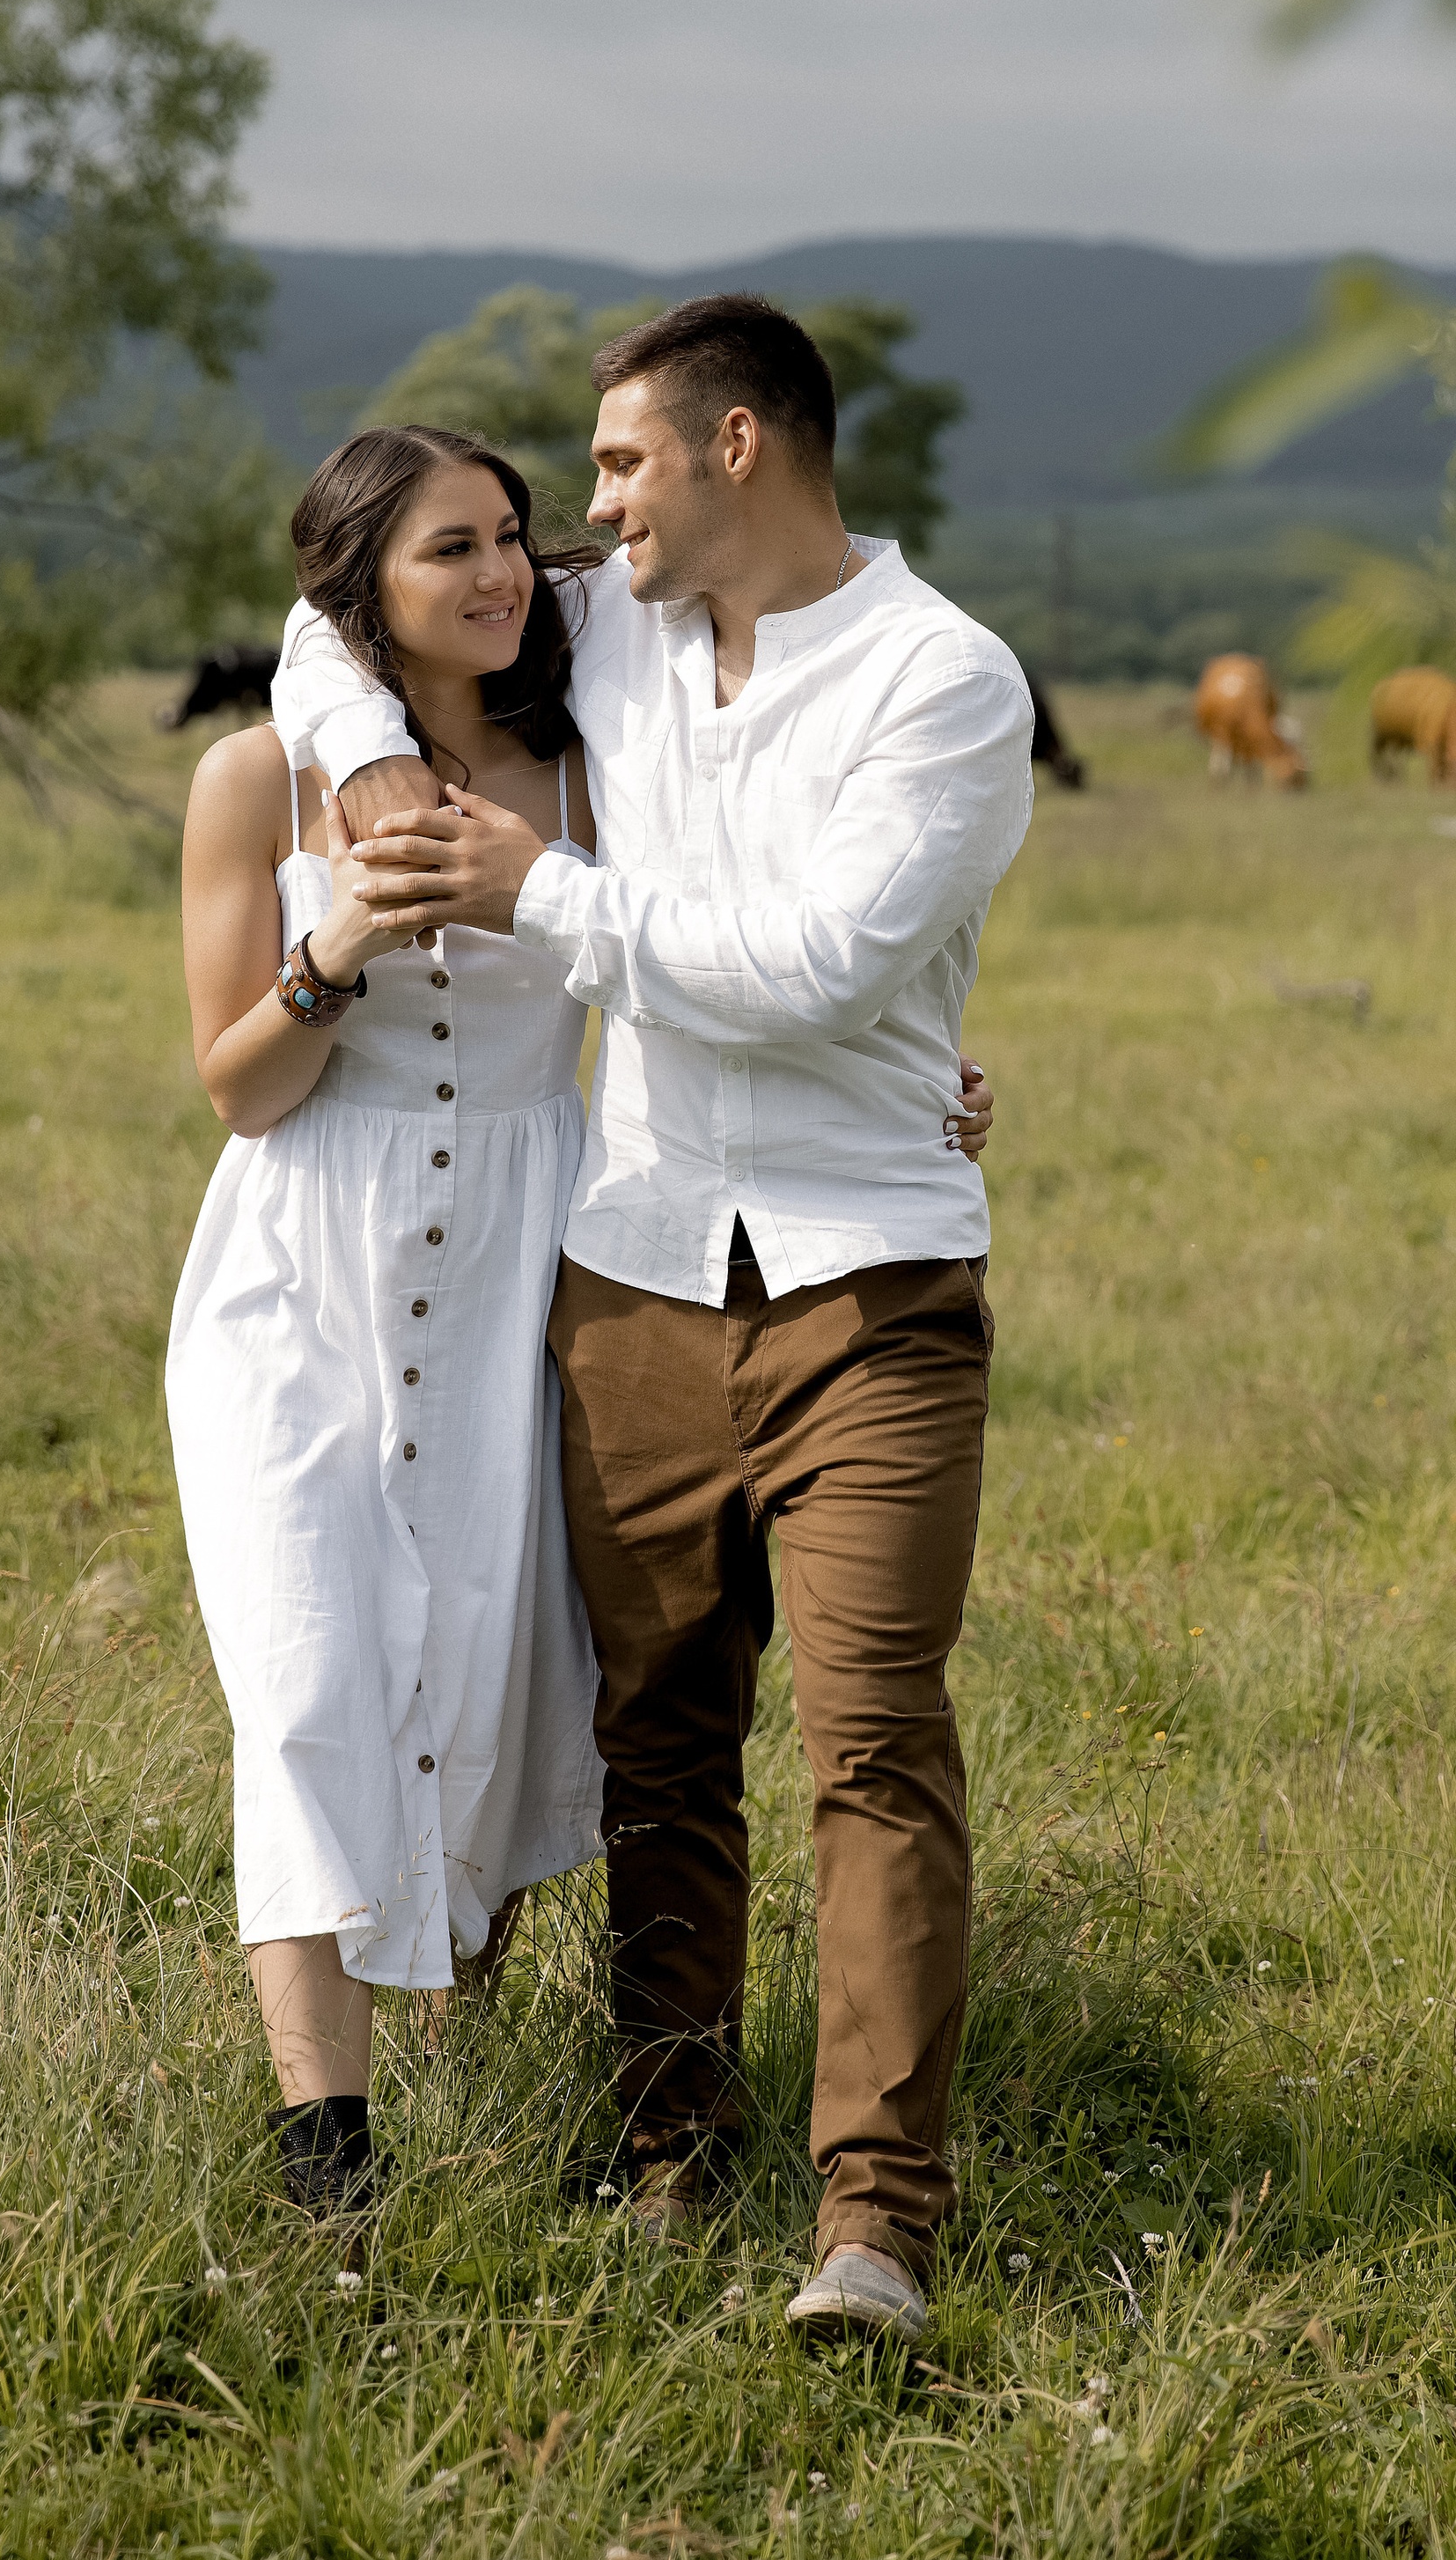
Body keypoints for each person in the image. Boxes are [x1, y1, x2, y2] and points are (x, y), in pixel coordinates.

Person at [273, 291, 1034, 2345]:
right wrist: (367, 791)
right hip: (628, 1273)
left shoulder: (944, 682)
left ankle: (869, 2224)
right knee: (657, 1744)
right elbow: (324, 628)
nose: (580, 515)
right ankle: (664, 2151)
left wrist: (534, 889)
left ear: (733, 449)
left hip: (868, 1284)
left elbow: (809, 966)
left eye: (613, 467)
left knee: (872, 1743)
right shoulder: (606, 626)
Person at [166, 428, 611, 2216]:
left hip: (524, 1259)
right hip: (300, 1270)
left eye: (512, 538)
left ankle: (469, 2068)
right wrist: (332, 943)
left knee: (491, 1677)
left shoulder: (592, 769)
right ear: (359, 592)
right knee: (305, 1684)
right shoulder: (252, 782)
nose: (502, 574)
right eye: (453, 550)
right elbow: (239, 1089)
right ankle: (323, 2166)